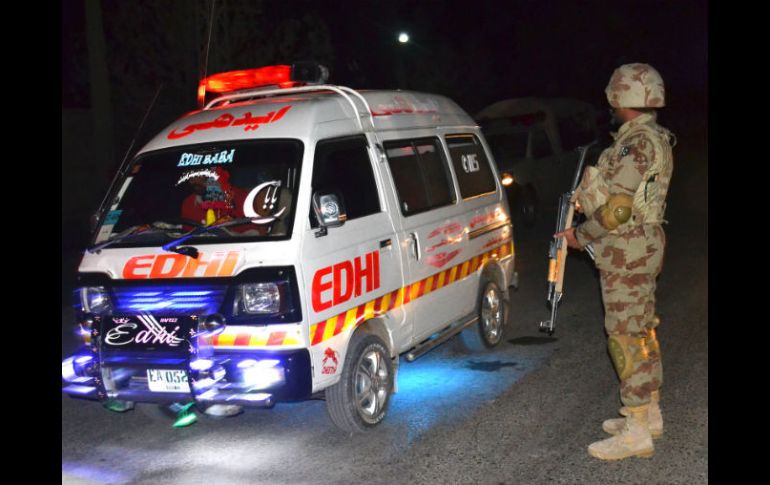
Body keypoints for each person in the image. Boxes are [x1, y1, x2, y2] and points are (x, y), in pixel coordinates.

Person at [555, 63, 675, 460]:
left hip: (626, 248)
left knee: (625, 338)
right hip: (639, 246)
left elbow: (620, 210)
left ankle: (637, 430)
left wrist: (581, 235)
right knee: (642, 330)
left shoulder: (636, 144)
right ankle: (648, 413)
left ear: (623, 98)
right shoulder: (651, 137)